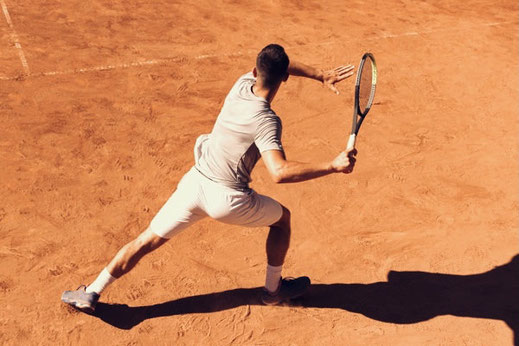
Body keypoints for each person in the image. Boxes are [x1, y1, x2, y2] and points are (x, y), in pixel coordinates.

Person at [62, 44, 357, 312]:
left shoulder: (240, 86)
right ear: (285, 79)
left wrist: (320, 74)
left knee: (147, 239)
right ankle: (272, 290)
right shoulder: (267, 120)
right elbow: (278, 172)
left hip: (194, 184)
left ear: (255, 72)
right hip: (229, 200)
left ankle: (91, 291)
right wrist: (332, 165)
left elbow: (279, 65)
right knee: (282, 221)